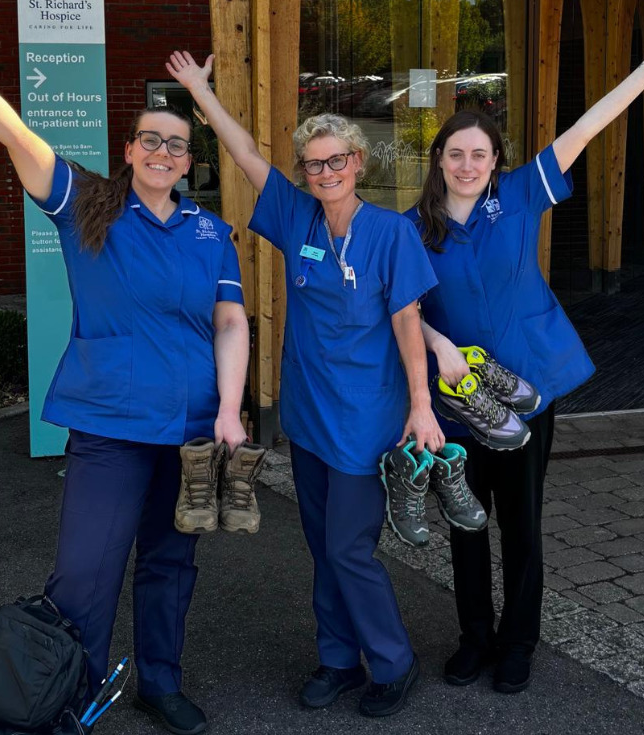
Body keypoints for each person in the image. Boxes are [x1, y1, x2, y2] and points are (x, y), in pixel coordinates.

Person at [0, 3, 249, 733]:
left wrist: (230, 408)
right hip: (110, 427)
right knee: (85, 576)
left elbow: (231, 321)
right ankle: (59, 699)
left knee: (170, 566)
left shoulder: (209, 230)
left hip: (191, 428)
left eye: (176, 146)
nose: (162, 153)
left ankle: (160, 682)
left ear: (189, 161)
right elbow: (12, 130)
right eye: (150, 140)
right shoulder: (88, 205)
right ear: (129, 147)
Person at [407, 27, 644, 694]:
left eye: (478, 154)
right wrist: (435, 347)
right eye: (454, 153)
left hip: (526, 387)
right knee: (465, 517)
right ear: (437, 159)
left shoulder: (514, 196)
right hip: (455, 396)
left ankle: (516, 641)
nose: (465, 164)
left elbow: (586, 126)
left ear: (494, 160)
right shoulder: (411, 228)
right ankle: (473, 637)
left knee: (518, 520)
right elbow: (401, 310)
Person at [168, 51, 444, 717]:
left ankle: (393, 660)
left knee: (349, 547)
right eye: (313, 163)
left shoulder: (390, 233)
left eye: (335, 160)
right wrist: (200, 94)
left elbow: (408, 323)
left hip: (365, 416)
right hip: (310, 413)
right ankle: (337, 657)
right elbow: (241, 154)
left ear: (357, 162)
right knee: (322, 545)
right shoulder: (298, 219)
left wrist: (420, 404)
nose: (323, 172)